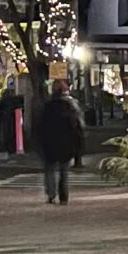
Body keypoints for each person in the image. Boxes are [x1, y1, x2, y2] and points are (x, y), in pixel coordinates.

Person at [35, 74, 86, 205]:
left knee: (50, 169)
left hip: (50, 142)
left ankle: (51, 194)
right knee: (64, 171)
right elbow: (78, 127)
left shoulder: (48, 106)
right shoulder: (71, 107)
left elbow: (40, 126)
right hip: (66, 143)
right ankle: (63, 195)